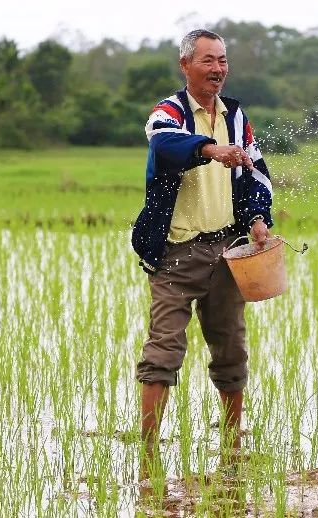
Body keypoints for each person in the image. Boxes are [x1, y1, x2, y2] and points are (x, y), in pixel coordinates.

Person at [130, 29, 274, 468]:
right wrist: (211, 149)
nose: (218, 69)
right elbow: (165, 144)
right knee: (163, 350)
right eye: (208, 61)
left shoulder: (235, 114)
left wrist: (257, 219)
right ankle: (148, 453)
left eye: (223, 61)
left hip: (227, 252)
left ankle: (233, 445)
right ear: (186, 66)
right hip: (175, 253)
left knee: (230, 347)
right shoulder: (168, 112)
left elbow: (254, 170)